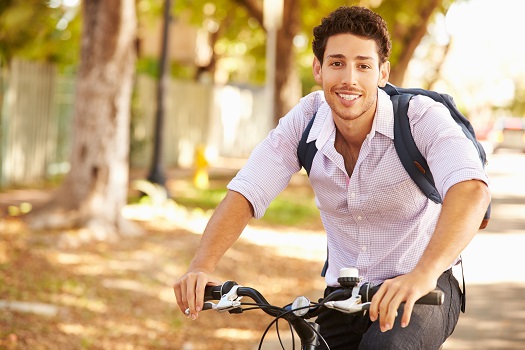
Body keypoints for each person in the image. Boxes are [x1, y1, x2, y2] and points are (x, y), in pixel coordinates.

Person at [174, 5, 490, 349]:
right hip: (343, 294)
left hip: (423, 285)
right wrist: (201, 266)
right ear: (318, 69)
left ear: (382, 73)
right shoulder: (306, 120)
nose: (349, 79)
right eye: (337, 63)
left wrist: (423, 275)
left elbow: (471, 191)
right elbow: (247, 191)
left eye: (363, 66)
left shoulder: (420, 117)